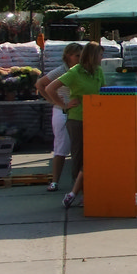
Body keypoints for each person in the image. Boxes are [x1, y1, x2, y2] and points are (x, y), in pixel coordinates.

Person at [43, 42, 105, 210]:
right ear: (92, 56)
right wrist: (63, 105)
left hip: (95, 118)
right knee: (78, 155)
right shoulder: (75, 72)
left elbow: (103, 90)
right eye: (100, 55)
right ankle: (78, 192)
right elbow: (49, 88)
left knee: (93, 154)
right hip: (77, 118)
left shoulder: (98, 71)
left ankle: (87, 190)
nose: (102, 59)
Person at [35, 42, 82, 192]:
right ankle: (55, 181)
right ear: (68, 56)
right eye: (77, 56)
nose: (80, 59)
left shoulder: (81, 70)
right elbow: (41, 84)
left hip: (77, 112)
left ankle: (78, 183)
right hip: (63, 112)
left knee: (78, 149)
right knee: (61, 147)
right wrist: (59, 103)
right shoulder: (62, 71)